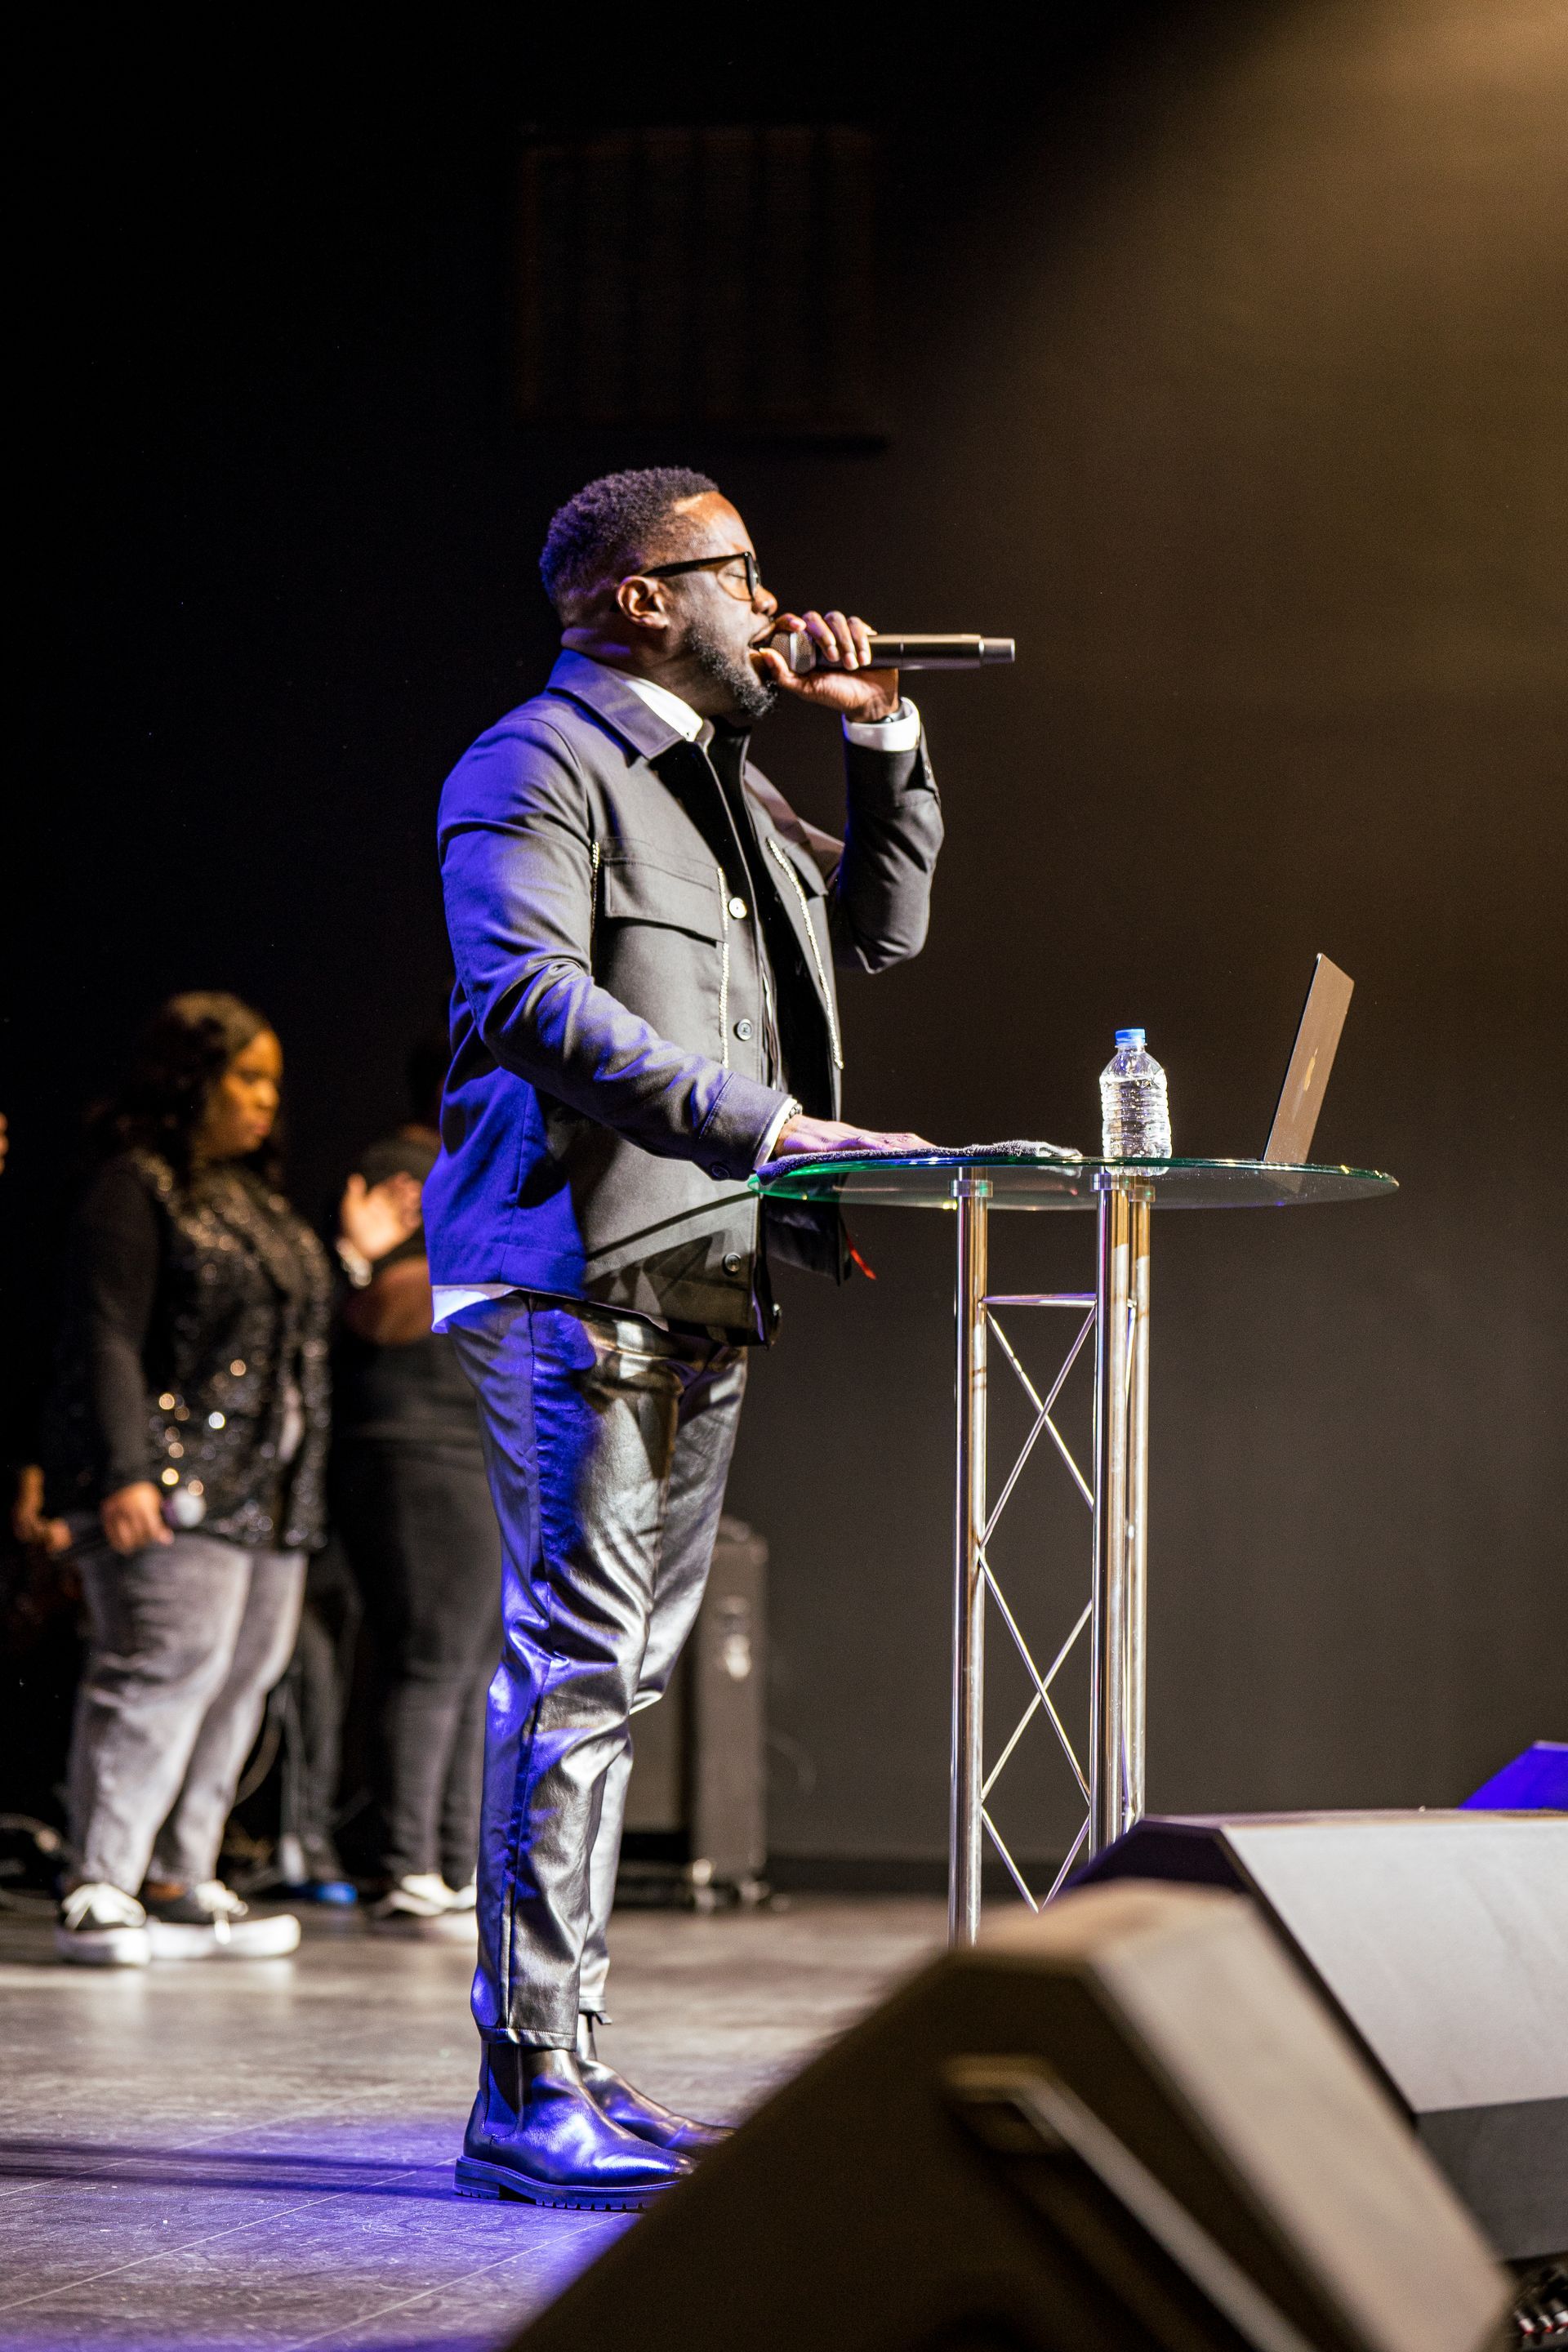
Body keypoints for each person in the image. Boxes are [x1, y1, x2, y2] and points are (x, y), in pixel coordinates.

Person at [425, 467, 943, 2207]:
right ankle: (523, 2086)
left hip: (705, 1265)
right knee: (574, 1666)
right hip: (575, 1259)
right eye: (740, 572)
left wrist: (882, 745)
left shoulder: (725, 790)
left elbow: (877, 932)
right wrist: (773, 1131)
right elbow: (521, 995)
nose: (775, 603)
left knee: (622, 1670)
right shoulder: (538, 764)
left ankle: (570, 2053)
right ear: (640, 598)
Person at [42, 992, 399, 1965]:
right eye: (246, 1077)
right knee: (159, 1671)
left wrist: (352, 1263)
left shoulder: (259, 1202)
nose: (263, 1100)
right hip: (172, 1479)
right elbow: (108, 1337)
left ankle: (178, 1878)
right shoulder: (139, 1185)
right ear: (191, 1078)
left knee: (239, 1683)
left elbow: (285, 1333)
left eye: (273, 1084)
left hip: (269, 1496)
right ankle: (99, 1882)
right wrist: (125, 1471)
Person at [331, 1030, 503, 1923]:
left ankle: (450, 1862)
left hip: (460, 1437)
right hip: (416, 1440)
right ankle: (405, 1861)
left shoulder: (456, 1171)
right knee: (436, 1655)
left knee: (471, 1659)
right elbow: (383, 1311)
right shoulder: (406, 1166)